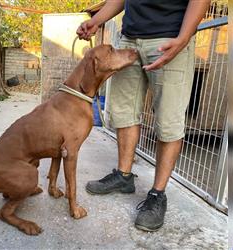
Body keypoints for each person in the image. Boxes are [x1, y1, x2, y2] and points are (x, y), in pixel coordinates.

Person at [76, 0, 210, 232]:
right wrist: (96, 21)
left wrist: (183, 39)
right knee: (123, 113)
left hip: (169, 38)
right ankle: (123, 176)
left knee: (168, 122)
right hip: (129, 39)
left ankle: (157, 195)